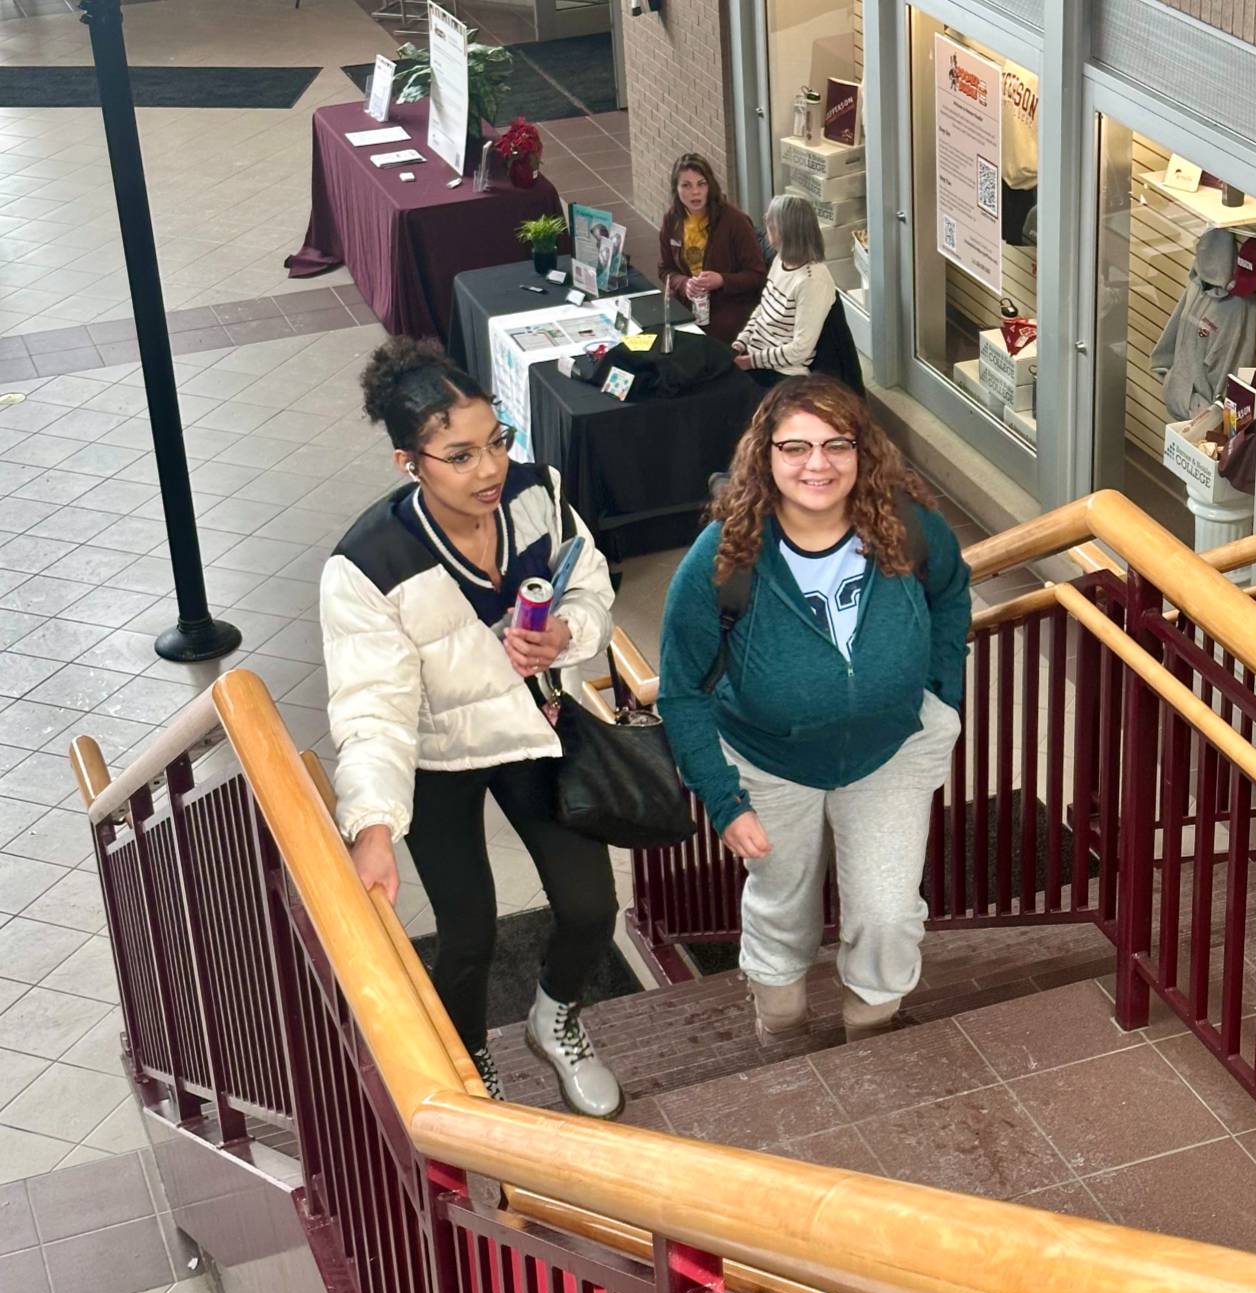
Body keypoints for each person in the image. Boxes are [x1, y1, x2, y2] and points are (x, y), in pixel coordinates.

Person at [319, 336, 623, 1118]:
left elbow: (587, 579)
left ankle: (552, 1019)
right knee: (466, 934)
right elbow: (372, 708)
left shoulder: (537, 493)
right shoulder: (367, 565)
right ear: (407, 463)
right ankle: (469, 1057)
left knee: (592, 908)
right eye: (458, 455)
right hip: (437, 758)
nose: (488, 469)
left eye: (497, 441)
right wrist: (374, 824)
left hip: (529, 729)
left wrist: (566, 634)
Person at [658, 376, 971, 1044]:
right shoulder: (722, 557)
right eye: (794, 447)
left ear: (862, 452)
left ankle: (871, 1029)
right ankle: (784, 1034)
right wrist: (723, 799)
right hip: (769, 763)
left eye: (836, 444)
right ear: (764, 458)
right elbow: (681, 690)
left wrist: (943, 691)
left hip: (889, 751)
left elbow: (950, 592)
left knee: (887, 910)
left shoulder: (905, 525)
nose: (817, 464)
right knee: (781, 905)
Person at [657, 152, 766, 343]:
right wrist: (684, 283)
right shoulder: (671, 220)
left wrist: (722, 280)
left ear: (711, 186)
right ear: (676, 189)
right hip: (688, 304)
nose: (695, 192)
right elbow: (665, 270)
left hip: (728, 308)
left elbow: (757, 275)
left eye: (701, 184)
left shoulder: (735, 221)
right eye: (686, 186)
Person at [732, 194, 837, 385]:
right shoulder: (781, 258)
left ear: (788, 231)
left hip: (783, 371)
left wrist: (749, 362)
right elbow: (763, 309)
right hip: (757, 357)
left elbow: (800, 350)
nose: (766, 221)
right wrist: (741, 342)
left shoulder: (812, 281)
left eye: (772, 220)